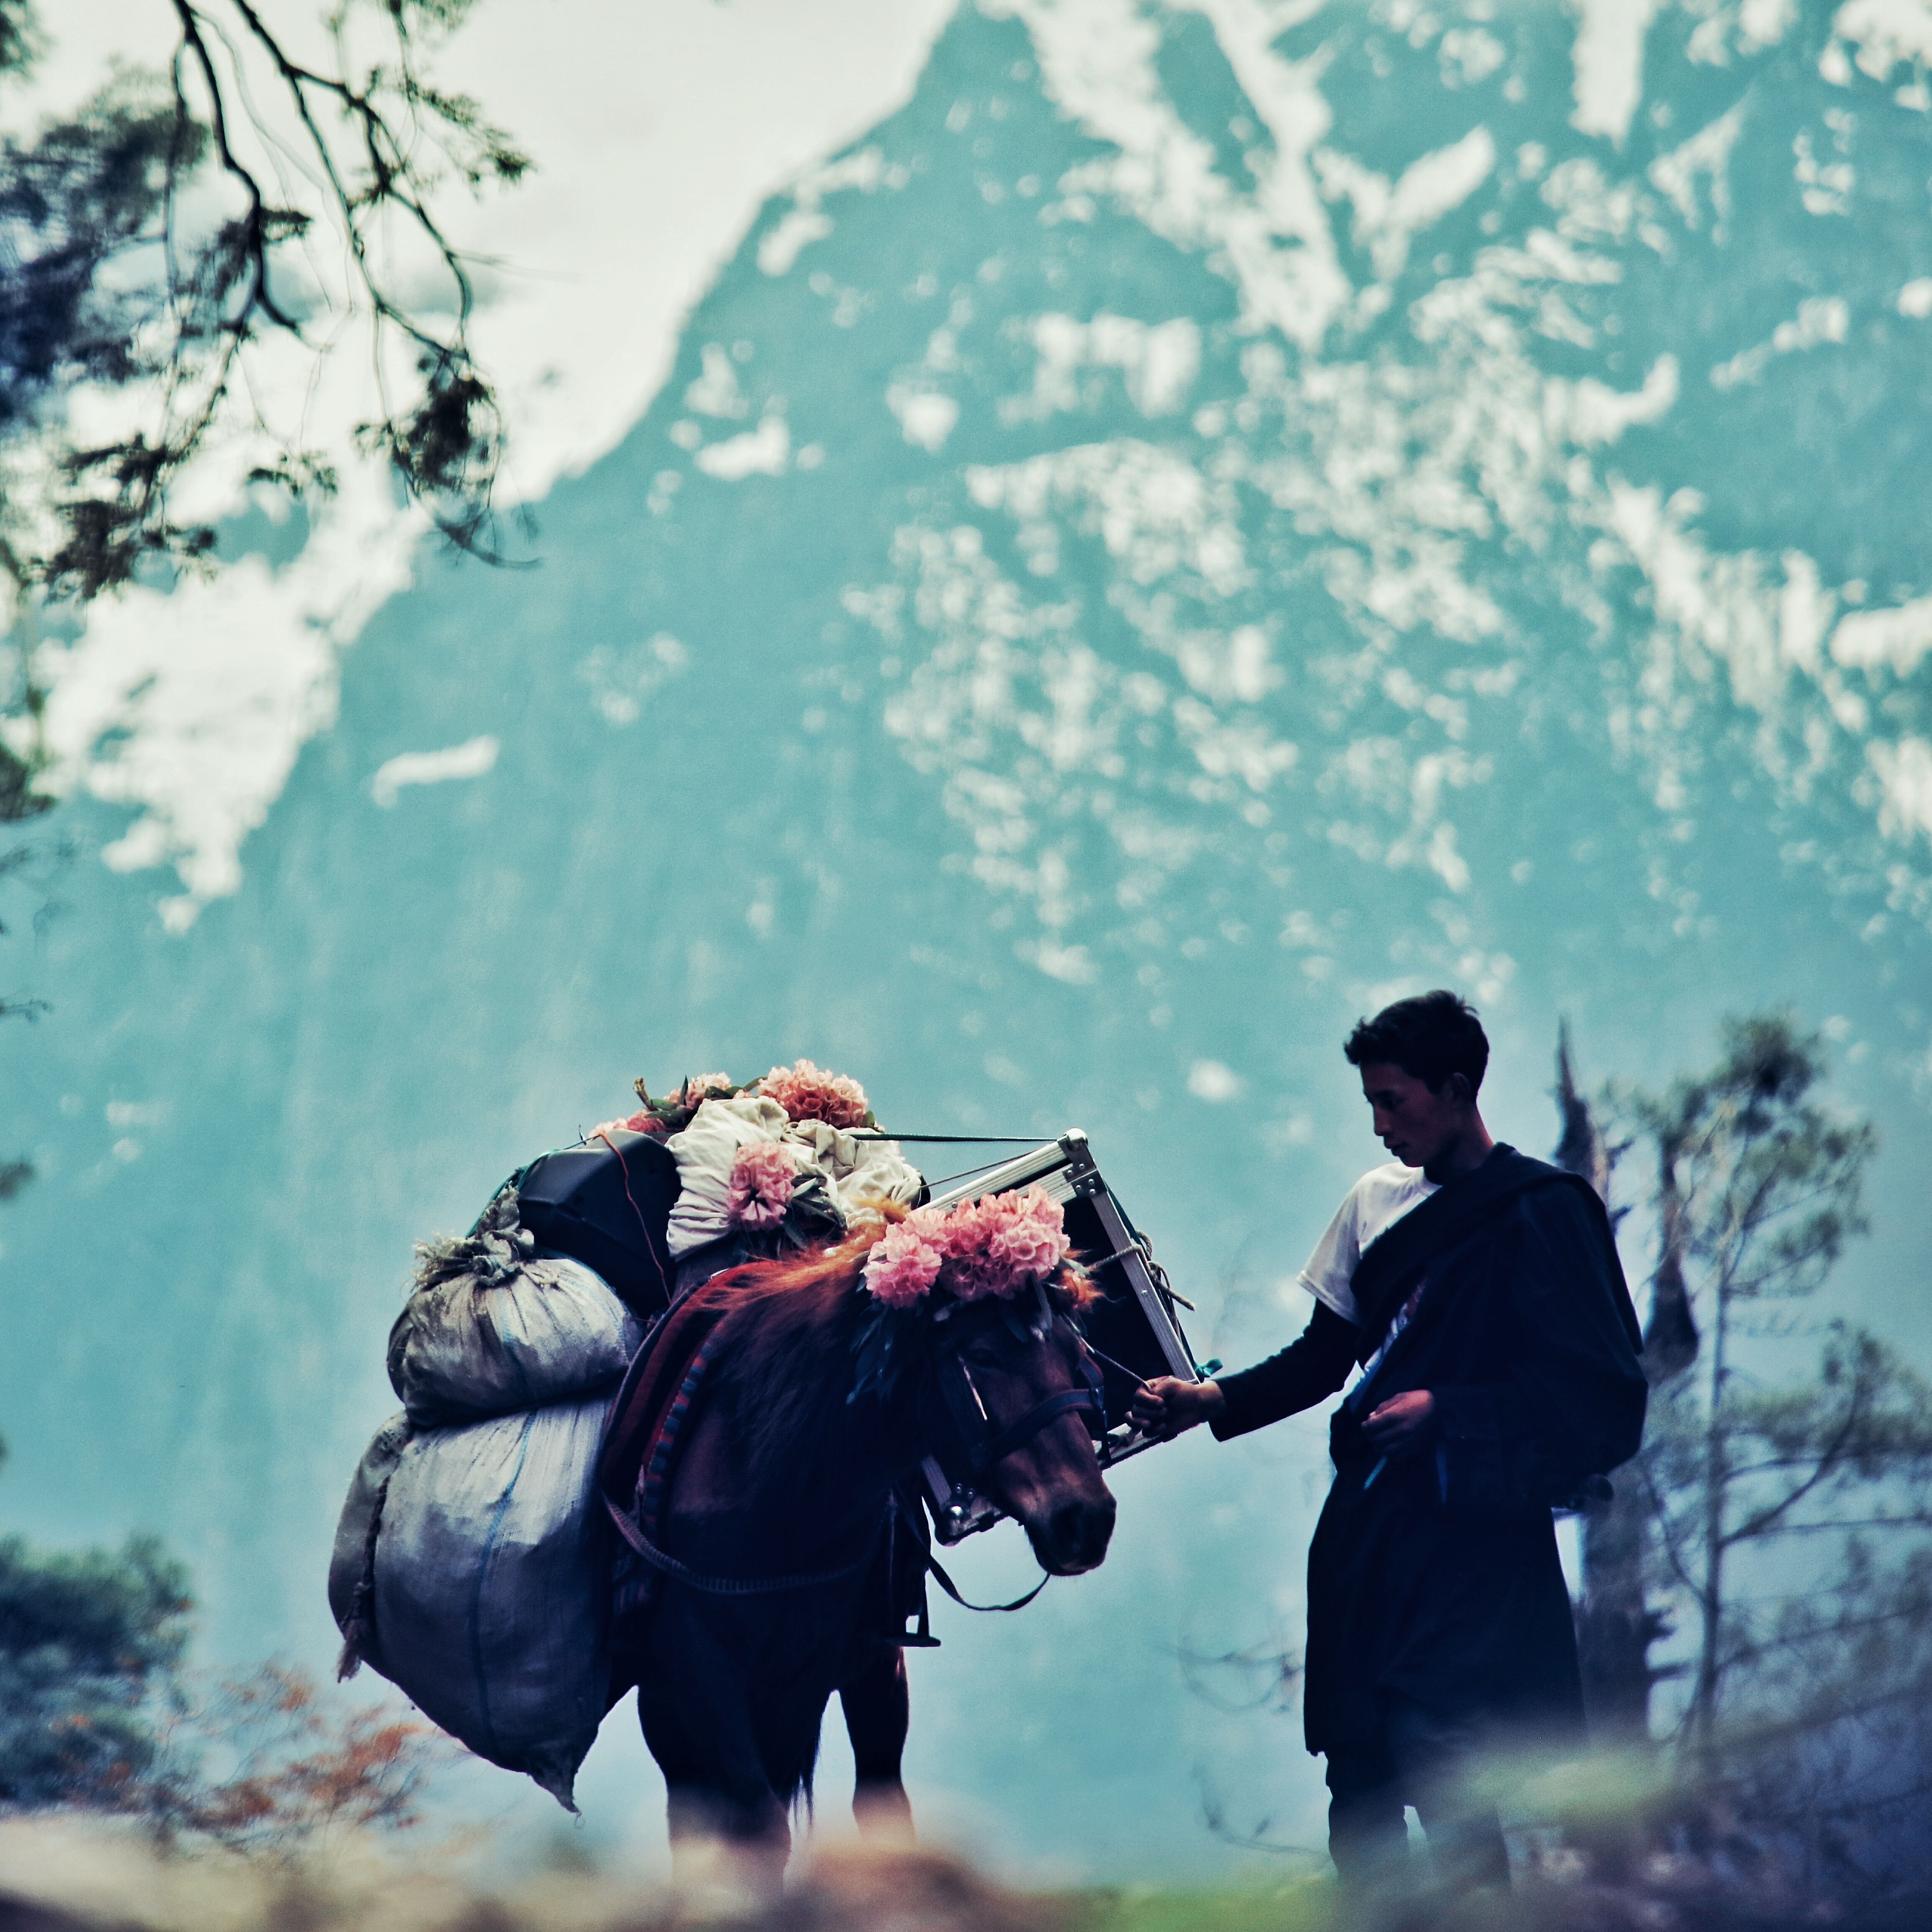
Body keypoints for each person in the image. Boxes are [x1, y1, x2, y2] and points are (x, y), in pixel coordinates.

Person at [1131, 990, 1646, 1896]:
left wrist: (1447, 1410)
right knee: (1360, 1780)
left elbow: (1602, 1397)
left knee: (1445, 1763)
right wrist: (1208, 1400)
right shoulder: (1375, 1204)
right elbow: (1321, 1359)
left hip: (1477, 1544)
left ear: (1457, 1088)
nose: (1379, 1125)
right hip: (1369, 1538)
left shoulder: (1545, 1210)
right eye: (1371, 1102)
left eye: (1393, 1101)